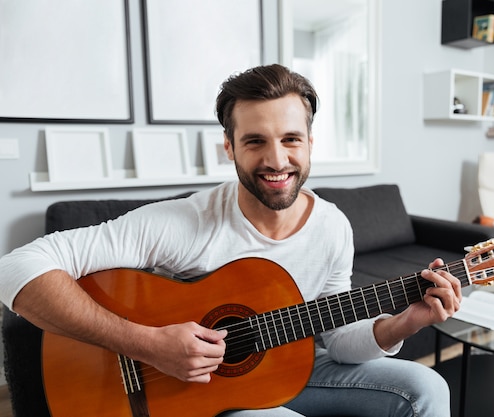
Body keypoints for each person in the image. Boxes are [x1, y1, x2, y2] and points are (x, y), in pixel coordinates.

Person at [0, 64, 462, 416]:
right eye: (255, 140)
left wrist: (406, 322)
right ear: (229, 146)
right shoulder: (183, 222)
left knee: (429, 388)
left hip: (300, 367)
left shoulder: (333, 225)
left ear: (310, 143)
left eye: (291, 139)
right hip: (202, 388)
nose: (276, 159)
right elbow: (14, 270)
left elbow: (338, 342)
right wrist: (146, 344)